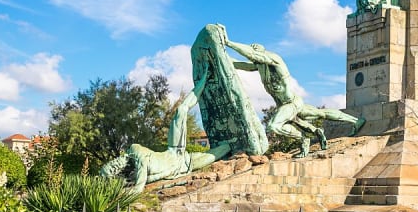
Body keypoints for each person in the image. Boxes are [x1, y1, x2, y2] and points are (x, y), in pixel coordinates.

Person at [221, 28, 365, 158]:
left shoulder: (274, 59)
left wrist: (228, 42)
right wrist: (220, 53)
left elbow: (253, 54)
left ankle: (303, 138)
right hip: (289, 104)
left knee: (273, 126)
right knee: (321, 113)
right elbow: (239, 64)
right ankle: (351, 122)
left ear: (261, 51)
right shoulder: (260, 66)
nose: (251, 51)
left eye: (254, 49)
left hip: (291, 103)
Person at [100, 65, 231, 192]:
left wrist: (129, 187)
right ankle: (235, 145)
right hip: (180, 167)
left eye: (113, 164)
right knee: (224, 150)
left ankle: (205, 77)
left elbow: (139, 187)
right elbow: (147, 179)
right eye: (113, 170)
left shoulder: (135, 151)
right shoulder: (133, 175)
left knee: (181, 110)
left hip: (174, 151)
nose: (115, 164)